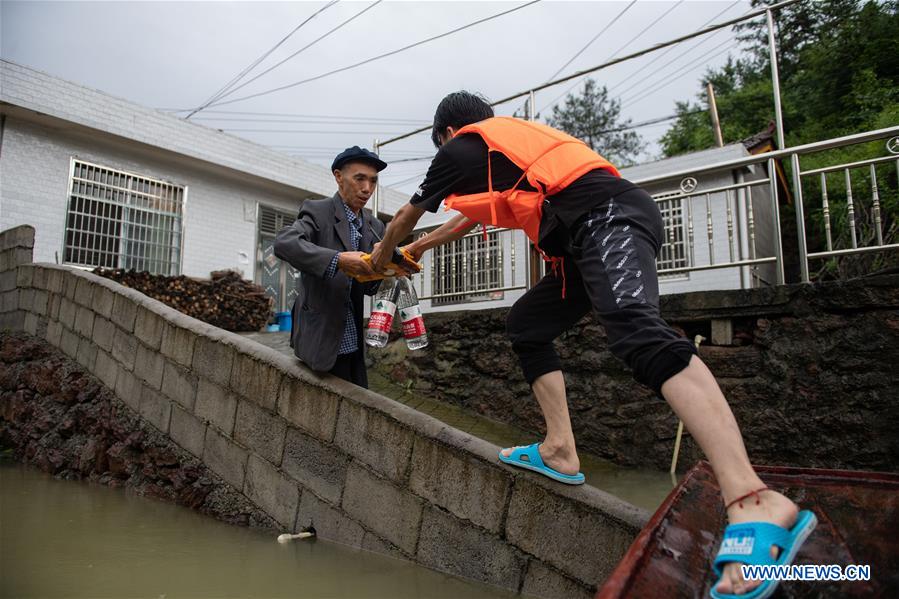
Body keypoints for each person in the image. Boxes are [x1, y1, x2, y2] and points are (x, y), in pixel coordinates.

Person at [370, 91, 816, 598]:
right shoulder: (499, 152)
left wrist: (381, 255)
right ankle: (560, 450)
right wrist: (420, 249)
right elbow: (470, 217)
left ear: (447, 134)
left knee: (636, 332)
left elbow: (404, 215)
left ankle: (752, 498)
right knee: (527, 325)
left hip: (609, 217)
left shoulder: (460, 149)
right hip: (582, 242)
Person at [274, 146, 389, 388]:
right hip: (320, 336)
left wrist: (389, 269)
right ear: (338, 176)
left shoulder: (374, 226)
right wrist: (338, 260)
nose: (367, 188)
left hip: (354, 337)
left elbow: (369, 287)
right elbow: (285, 242)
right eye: (359, 178)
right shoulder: (318, 211)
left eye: (373, 181)